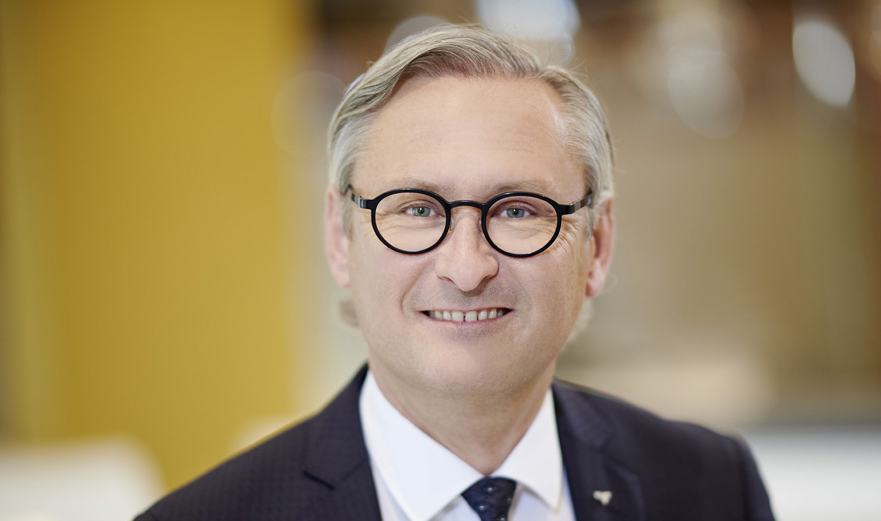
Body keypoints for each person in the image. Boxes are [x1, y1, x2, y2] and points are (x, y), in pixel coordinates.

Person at [135, 25, 775, 521]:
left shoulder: (711, 486)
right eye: (416, 208)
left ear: (598, 245)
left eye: (518, 209)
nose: (467, 268)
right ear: (339, 237)